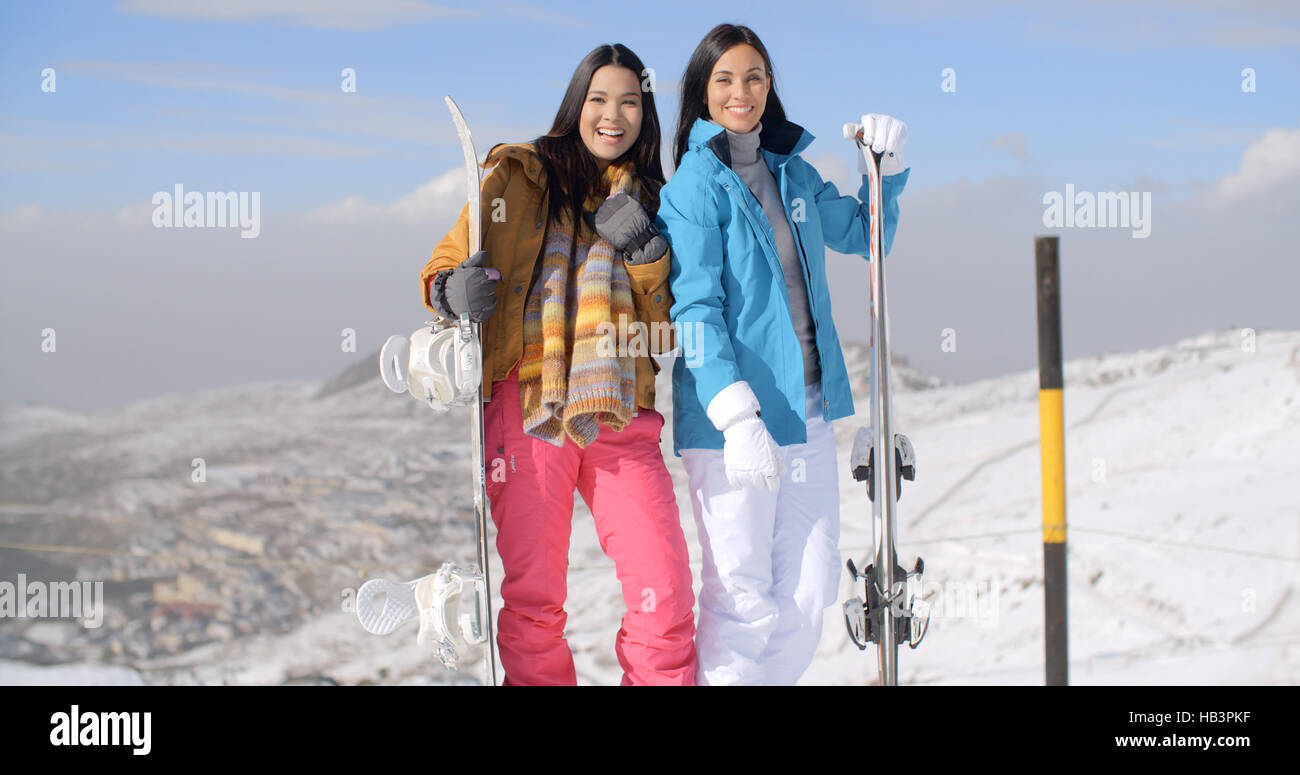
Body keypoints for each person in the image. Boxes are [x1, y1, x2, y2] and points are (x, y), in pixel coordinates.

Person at [420, 43, 695, 685]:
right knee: (535, 605)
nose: (613, 114)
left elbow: (666, 327)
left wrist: (649, 255)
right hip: (528, 403)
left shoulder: (657, 199)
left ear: (644, 114)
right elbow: (444, 262)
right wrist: (449, 290)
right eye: (599, 98)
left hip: (620, 408)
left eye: (630, 101)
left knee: (667, 597)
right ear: (577, 105)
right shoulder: (515, 175)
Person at [657, 23, 910, 685]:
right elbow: (694, 311)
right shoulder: (693, 187)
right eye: (725, 79)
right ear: (701, 93)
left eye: (754, 77)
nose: (742, 92)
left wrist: (883, 166)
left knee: (807, 591)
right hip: (731, 427)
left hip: (808, 416)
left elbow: (864, 236)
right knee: (742, 600)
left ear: (769, 86)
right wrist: (738, 420)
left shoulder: (793, 171)